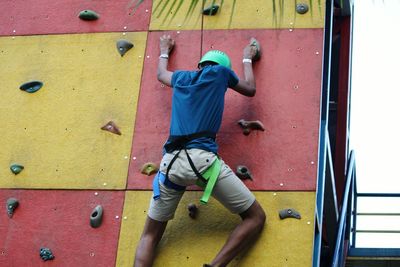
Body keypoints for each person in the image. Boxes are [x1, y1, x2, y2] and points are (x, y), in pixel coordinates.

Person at [134, 34, 266, 267]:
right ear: (223, 69)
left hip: (170, 164)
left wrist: (164, 50)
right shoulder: (221, 73)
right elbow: (250, 89)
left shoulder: (183, 77)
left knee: (149, 235)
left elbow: (161, 74)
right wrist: (247, 58)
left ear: (201, 65)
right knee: (255, 217)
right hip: (203, 162)